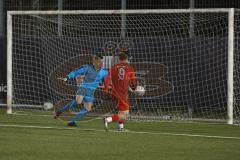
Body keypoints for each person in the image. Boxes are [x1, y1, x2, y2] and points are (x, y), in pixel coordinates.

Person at [54, 54, 108, 126]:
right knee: (78, 101)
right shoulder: (87, 68)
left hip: (91, 92)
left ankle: (72, 122)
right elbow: (76, 73)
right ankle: (60, 111)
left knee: (87, 109)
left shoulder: (104, 72)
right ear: (94, 62)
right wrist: (67, 77)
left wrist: (107, 88)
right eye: (96, 61)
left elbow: (106, 82)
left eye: (100, 61)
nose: (98, 63)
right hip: (83, 88)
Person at [104, 50, 137, 131]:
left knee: (121, 111)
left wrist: (106, 90)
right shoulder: (130, 68)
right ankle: (108, 119)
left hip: (114, 93)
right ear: (127, 59)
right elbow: (133, 83)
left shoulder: (113, 68)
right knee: (125, 114)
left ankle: (121, 127)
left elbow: (107, 80)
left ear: (119, 59)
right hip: (122, 94)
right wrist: (135, 88)